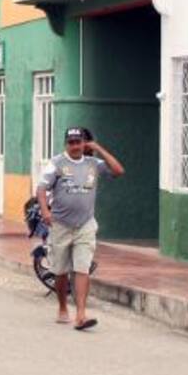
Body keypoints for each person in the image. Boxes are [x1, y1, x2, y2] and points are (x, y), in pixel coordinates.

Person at [36, 127, 125, 331]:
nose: (75, 146)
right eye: (71, 142)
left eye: (79, 142)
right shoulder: (57, 163)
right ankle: (62, 307)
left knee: (82, 268)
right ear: (66, 144)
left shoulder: (93, 164)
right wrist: (45, 212)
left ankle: (81, 315)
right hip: (60, 224)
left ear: (85, 143)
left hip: (85, 224)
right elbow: (41, 189)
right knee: (60, 271)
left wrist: (98, 148)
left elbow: (119, 170)